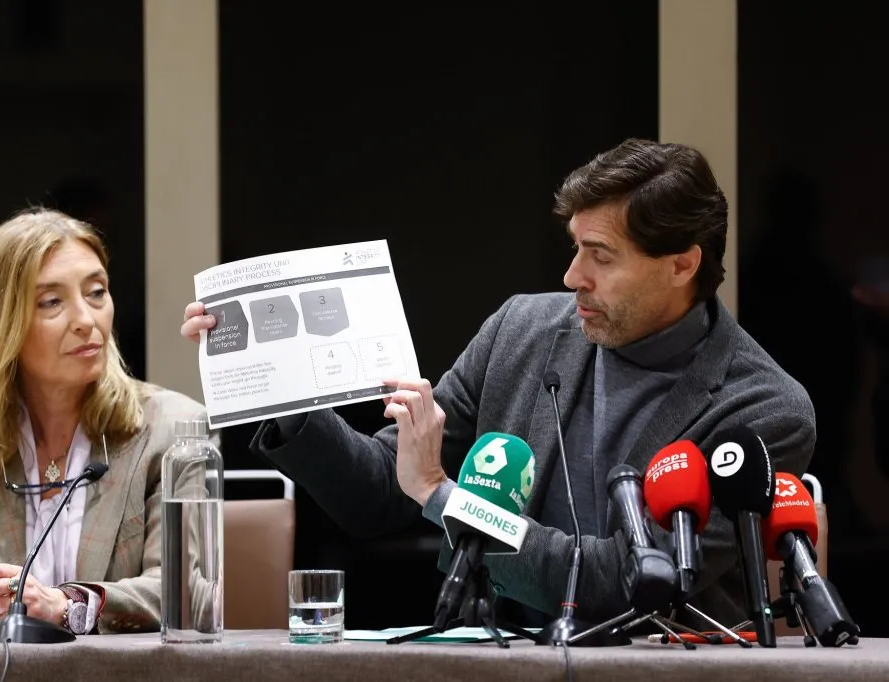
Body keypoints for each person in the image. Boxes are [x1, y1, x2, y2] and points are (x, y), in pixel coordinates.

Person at [181, 138, 816, 629]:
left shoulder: (762, 409)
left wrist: (441, 493)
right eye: (574, 248)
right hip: (498, 654)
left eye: (601, 255)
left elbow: (619, 581)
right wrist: (273, 386)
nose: (572, 278)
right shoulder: (523, 330)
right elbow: (379, 490)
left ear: (683, 263)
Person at [0, 208, 212, 635]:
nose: (87, 320)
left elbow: (183, 591)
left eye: (97, 292)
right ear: (3, 322)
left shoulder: (171, 430)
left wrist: (65, 605)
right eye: (52, 302)